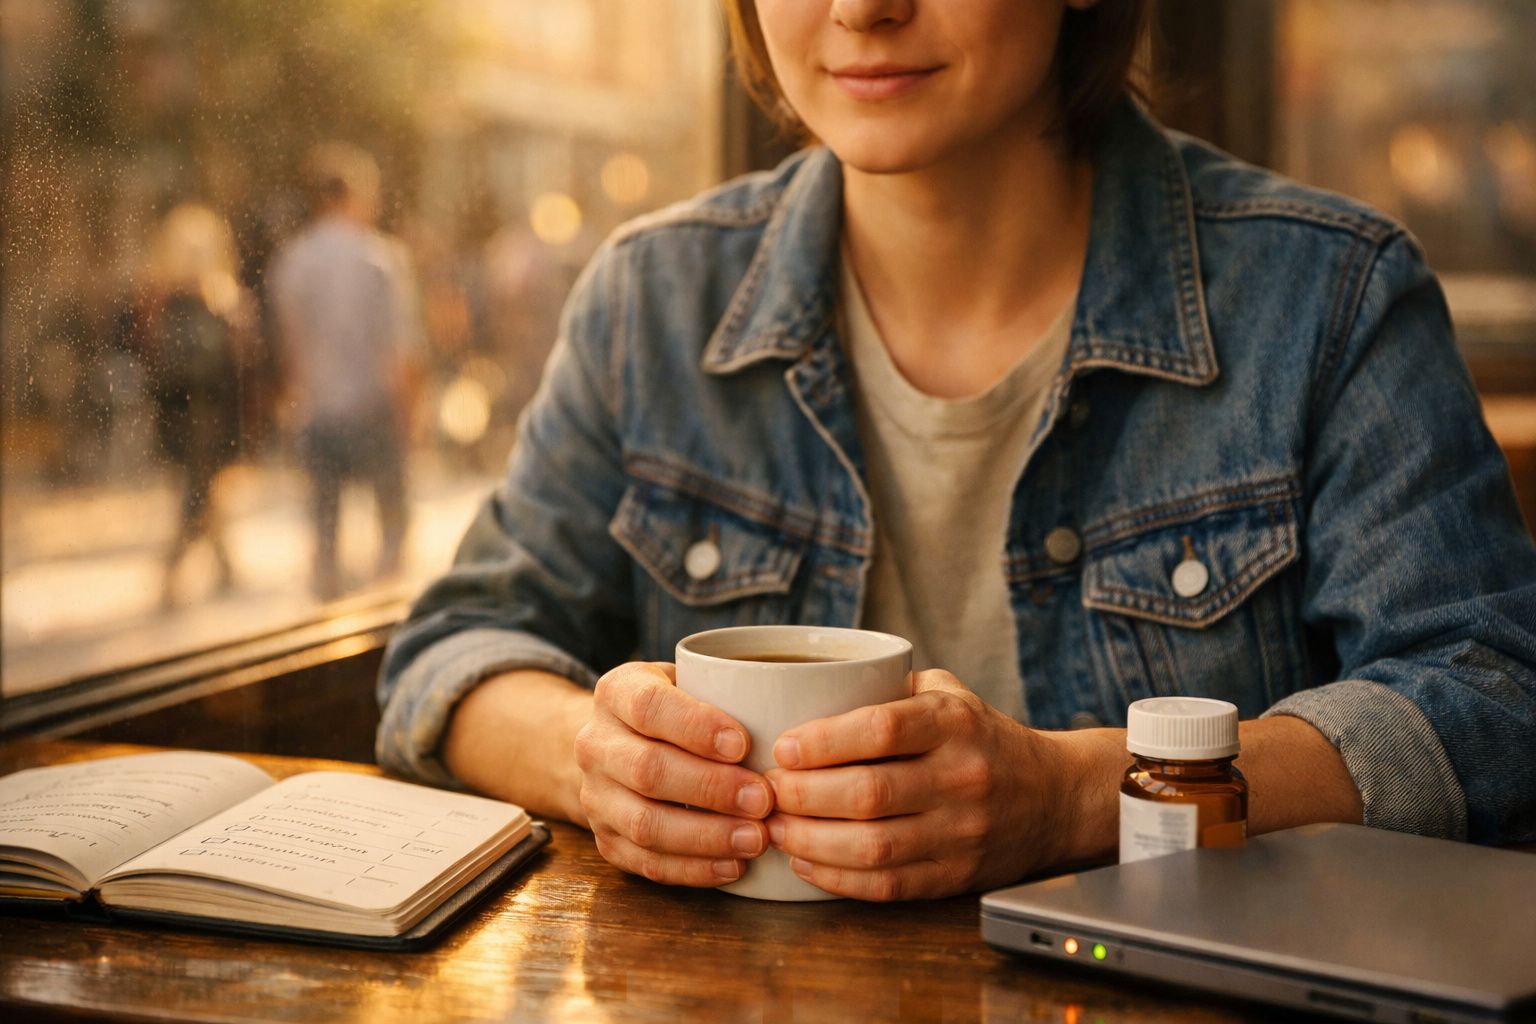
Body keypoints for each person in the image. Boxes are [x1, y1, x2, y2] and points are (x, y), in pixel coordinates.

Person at [377, 0, 1536, 900]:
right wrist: (599, 758)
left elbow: (1495, 703)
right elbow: (451, 653)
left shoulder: (1328, 295)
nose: (865, 6)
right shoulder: (653, 298)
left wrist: (1078, 795)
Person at [268, 143, 422, 601]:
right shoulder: (380, 259)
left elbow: (287, 347)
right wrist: (412, 413)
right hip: (373, 408)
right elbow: (402, 348)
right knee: (392, 531)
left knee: (326, 534)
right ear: (356, 195)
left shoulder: (292, 261)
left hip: (317, 410)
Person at [144, 202, 250, 608]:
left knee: (206, 494)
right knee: (198, 495)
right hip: (196, 416)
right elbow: (207, 369)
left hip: (193, 415)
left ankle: (224, 567)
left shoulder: (179, 303)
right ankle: (174, 576)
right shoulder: (195, 304)